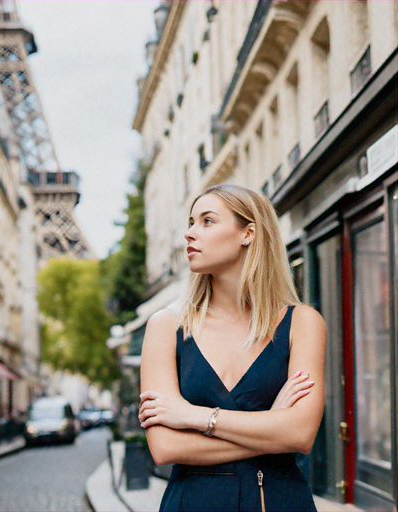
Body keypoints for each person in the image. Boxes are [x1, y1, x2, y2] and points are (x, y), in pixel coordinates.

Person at [139, 184, 326, 512]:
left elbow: (300, 435)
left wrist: (194, 416)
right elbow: (165, 447)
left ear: (248, 233)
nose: (190, 233)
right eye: (191, 222)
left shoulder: (303, 322)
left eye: (207, 221)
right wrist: (271, 424)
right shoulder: (165, 326)